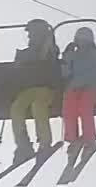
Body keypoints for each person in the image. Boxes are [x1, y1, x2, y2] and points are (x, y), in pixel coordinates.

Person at [7, 18, 61, 164]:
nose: (30, 37)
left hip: (45, 89)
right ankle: (23, 144)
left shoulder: (49, 50)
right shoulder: (26, 53)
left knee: (38, 106)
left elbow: (50, 57)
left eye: (32, 34)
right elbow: (17, 70)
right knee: (17, 107)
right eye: (30, 34)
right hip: (28, 90)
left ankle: (44, 143)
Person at [60, 27, 96, 148]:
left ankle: (89, 138)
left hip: (92, 86)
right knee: (69, 109)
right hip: (75, 86)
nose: (82, 44)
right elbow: (65, 72)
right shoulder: (73, 56)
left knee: (84, 107)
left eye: (85, 41)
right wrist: (66, 57)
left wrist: (94, 79)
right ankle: (73, 138)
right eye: (80, 41)